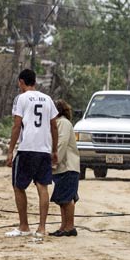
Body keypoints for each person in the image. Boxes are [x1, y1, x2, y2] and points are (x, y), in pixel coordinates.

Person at [5, 69, 59, 238]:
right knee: (43, 187)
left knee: (18, 186)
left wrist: (10, 150)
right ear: (34, 81)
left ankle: (24, 226)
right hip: (43, 148)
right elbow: (54, 126)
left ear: (21, 82)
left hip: (27, 147)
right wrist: (54, 149)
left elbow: (16, 126)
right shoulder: (48, 99)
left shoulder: (21, 99)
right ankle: (41, 228)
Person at [50, 99, 80, 237]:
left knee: (67, 199)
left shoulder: (63, 123)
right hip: (63, 168)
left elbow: (61, 144)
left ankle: (69, 227)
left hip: (68, 167)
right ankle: (64, 226)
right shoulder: (59, 123)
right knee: (62, 199)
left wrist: (54, 161)